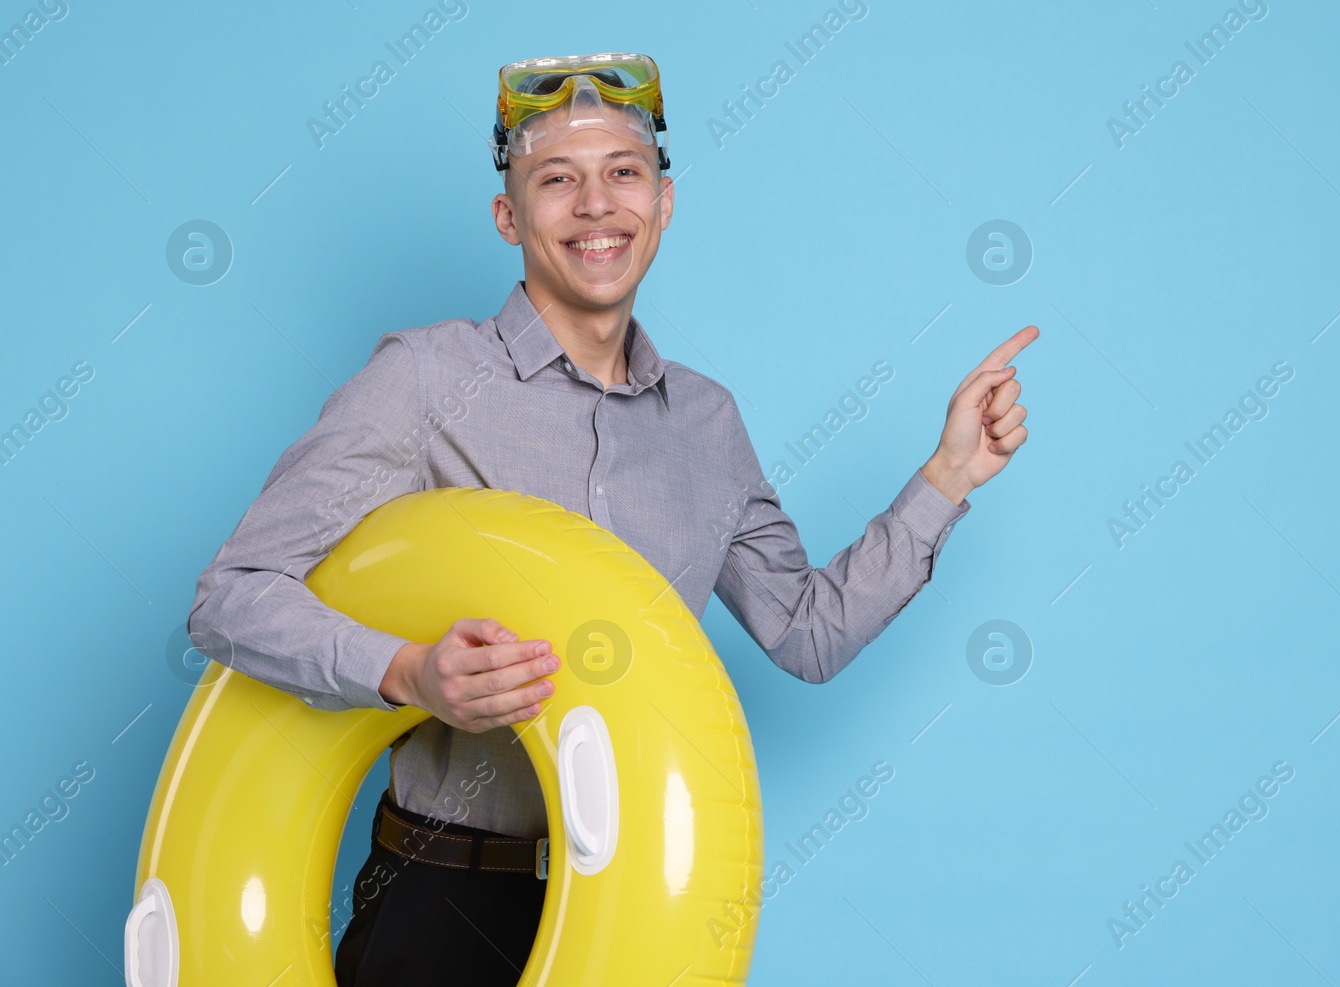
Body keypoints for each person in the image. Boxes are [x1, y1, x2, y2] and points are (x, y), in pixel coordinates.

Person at [187, 51, 1036, 986]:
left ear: (663, 205)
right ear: (510, 216)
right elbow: (230, 597)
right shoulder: (423, 380)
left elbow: (808, 633)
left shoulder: (707, 424)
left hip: (633, 909)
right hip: (440, 897)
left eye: (623, 173)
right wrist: (408, 670)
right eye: (558, 180)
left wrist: (951, 474)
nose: (597, 205)